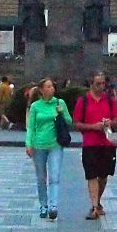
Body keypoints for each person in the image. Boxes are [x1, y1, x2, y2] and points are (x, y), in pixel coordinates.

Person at [73, 72, 117, 219]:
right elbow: (77, 123)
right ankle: (94, 206)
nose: (101, 86)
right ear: (91, 84)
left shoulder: (110, 100)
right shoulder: (83, 101)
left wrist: (108, 123)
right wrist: (93, 126)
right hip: (90, 143)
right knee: (91, 175)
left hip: (107, 142)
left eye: (103, 83)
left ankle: (97, 202)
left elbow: (116, 121)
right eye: (98, 84)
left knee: (103, 175)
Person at [24, 79, 71, 220]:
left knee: (54, 176)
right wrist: (28, 144)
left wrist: (61, 113)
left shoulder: (59, 103)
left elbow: (69, 121)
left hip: (55, 145)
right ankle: (43, 204)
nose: (52, 89)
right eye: (49, 87)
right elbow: (31, 127)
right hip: (39, 145)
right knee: (41, 178)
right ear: (41, 90)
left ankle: (53, 206)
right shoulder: (35, 106)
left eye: (53, 86)